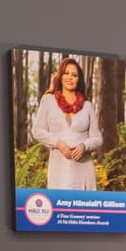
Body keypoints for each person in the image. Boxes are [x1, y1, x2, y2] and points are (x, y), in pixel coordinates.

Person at [27, 55, 100, 189]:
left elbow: (97, 138)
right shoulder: (48, 100)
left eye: (74, 75)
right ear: (60, 76)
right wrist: (57, 143)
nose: (70, 77)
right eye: (66, 73)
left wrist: (84, 146)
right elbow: (37, 131)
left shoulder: (87, 106)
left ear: (79, 79)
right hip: (59, 173)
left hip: (84, 174)